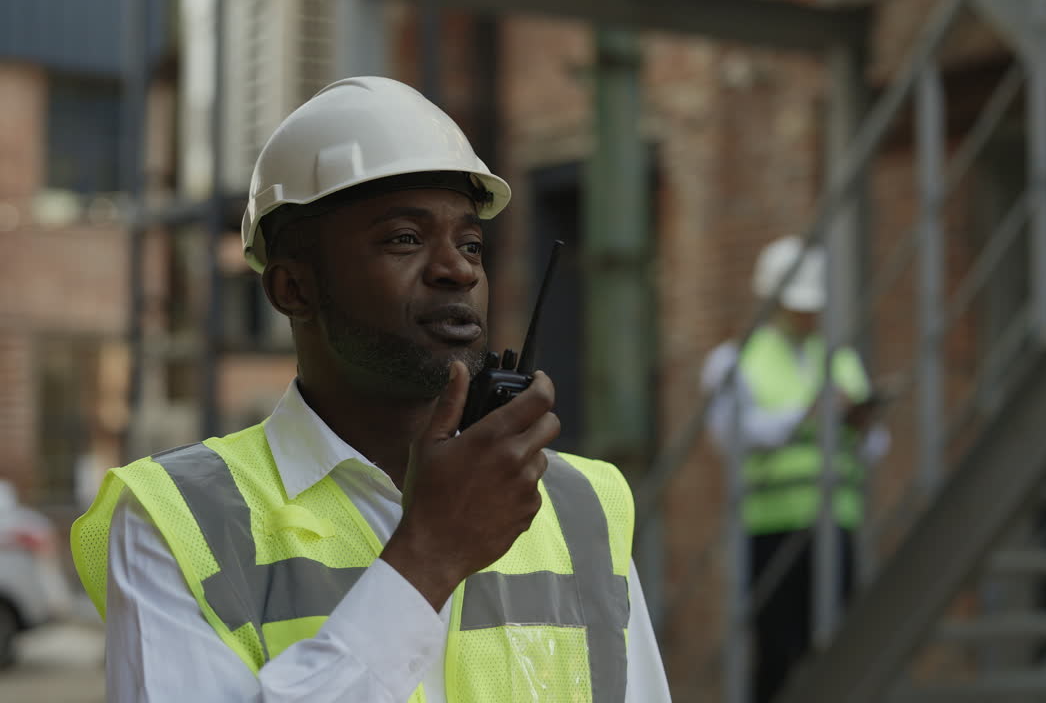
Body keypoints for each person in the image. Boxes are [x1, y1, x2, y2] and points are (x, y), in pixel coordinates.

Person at [71, 76, 670, 703]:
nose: (458, 269)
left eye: (471, 243)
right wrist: (429, 557)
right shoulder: (176, 522)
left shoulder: (582, 506)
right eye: (404, 239)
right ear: (293, 289)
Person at [700, 235, 888, 703]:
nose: (807, 315)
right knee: (778, 654)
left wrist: (860, 425)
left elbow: (877, 447)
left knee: (841, 650)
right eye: (796, 305)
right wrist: (809, 414)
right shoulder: (735, 361)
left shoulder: (840, 359)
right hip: (771, 528)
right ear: (771, 301)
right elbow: (731, 436)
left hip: (835, 523)